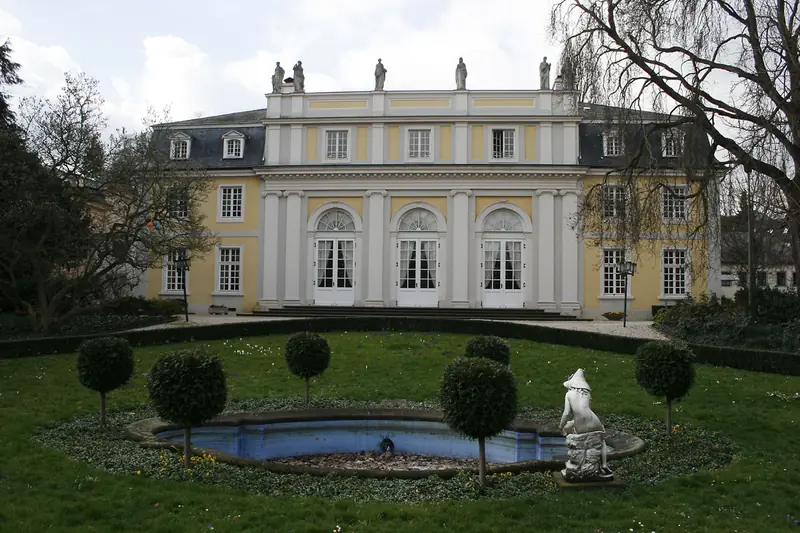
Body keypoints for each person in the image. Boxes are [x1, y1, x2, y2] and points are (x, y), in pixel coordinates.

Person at [559, 368, 610, 472]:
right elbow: (586, 411)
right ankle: (604, 464)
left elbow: (566, 413)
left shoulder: (569, 394)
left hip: (581, 425)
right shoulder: (587, 394)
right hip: (594, 420)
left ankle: (579, 463)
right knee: (602, 439)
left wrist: (561, 427)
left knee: (574, 432)